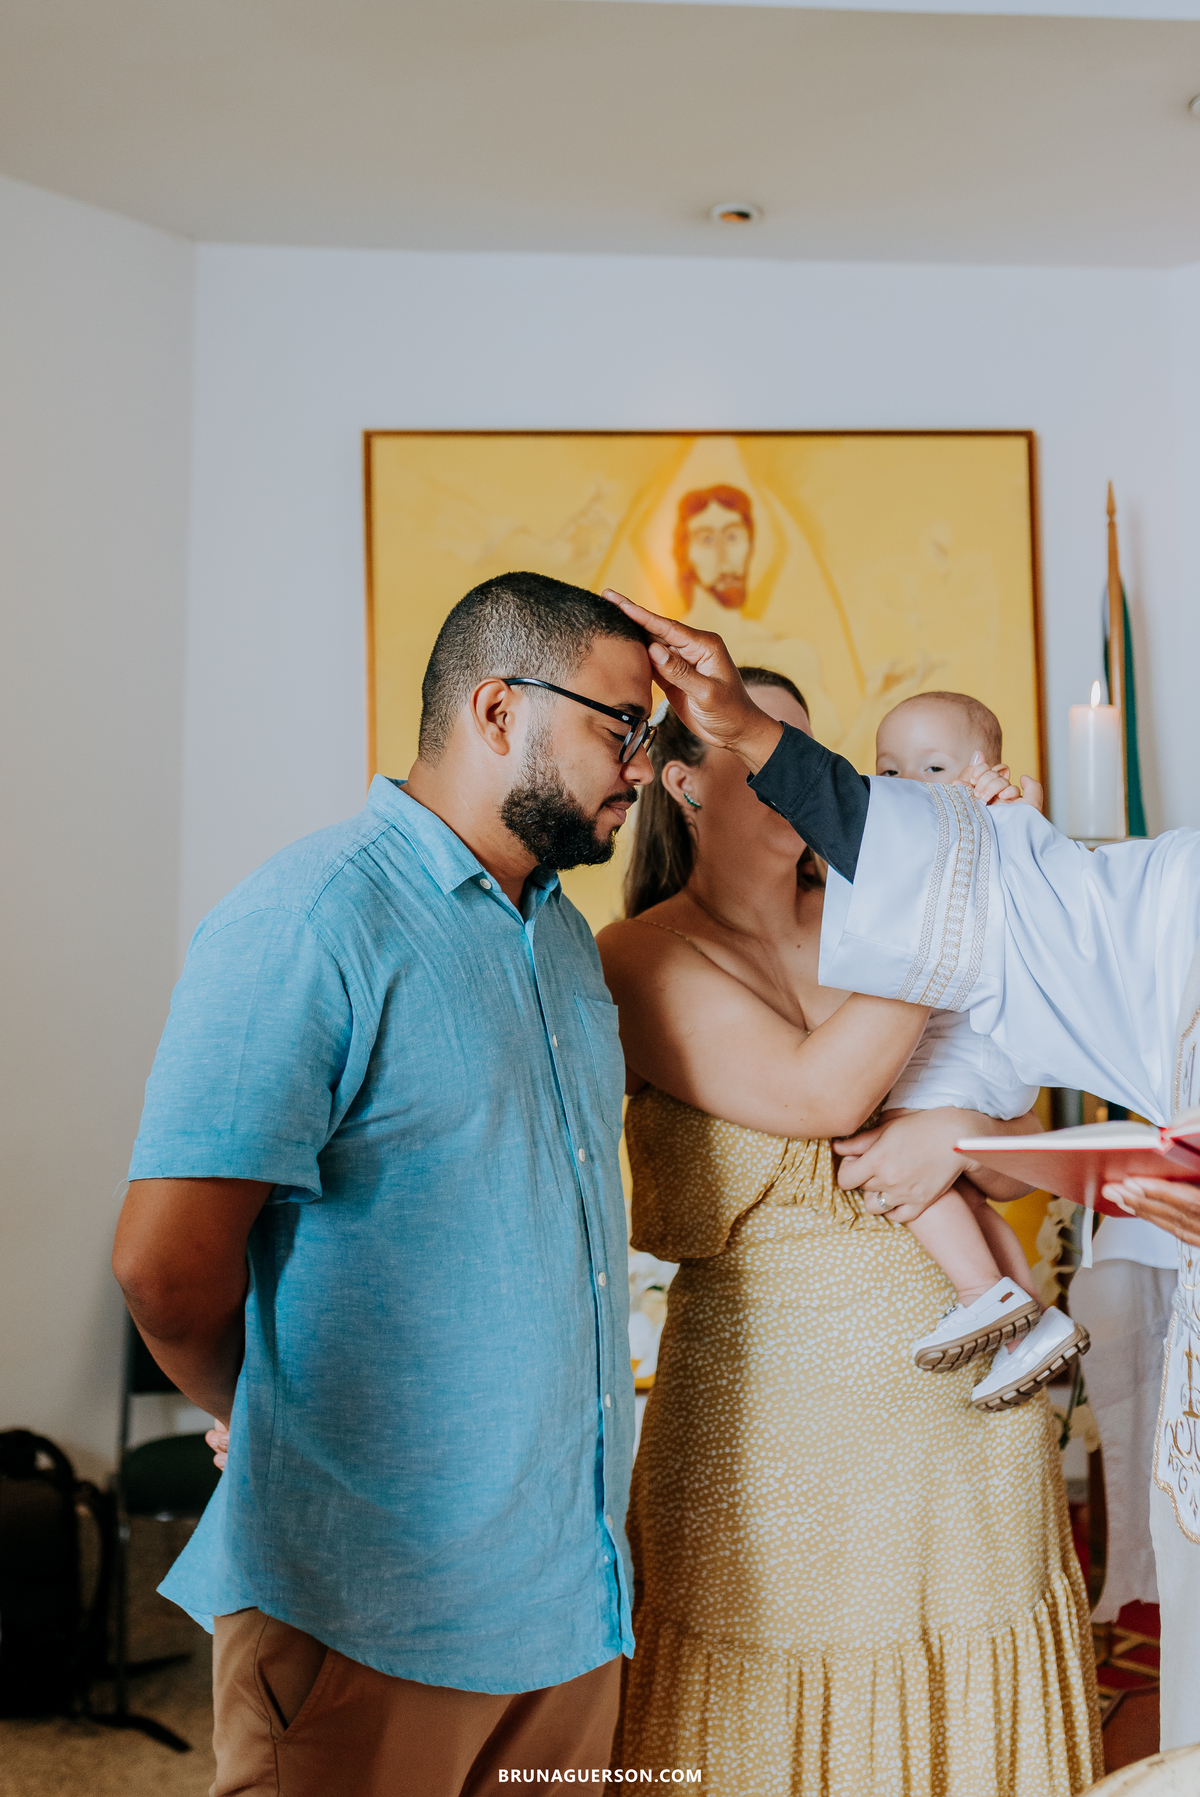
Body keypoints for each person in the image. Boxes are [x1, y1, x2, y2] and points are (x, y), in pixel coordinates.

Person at [602, 584, 1200, 1752]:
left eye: (812, 756)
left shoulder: (885, 912)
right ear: (684, 776)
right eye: (762, 753)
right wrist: (953, 887)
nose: (810, 784)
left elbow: (1015, 1154)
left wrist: (960, 1139)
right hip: (771, 1431)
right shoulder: (640, 955)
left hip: (971, 1409)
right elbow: (823, 1094)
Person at [111, 572, 658, 1797]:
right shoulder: (308, 920)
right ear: (500, 709)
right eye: (621, 724)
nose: (641, 761)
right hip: (366, 1603)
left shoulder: (564, 936)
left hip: (566, 1607)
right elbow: (162, 1263)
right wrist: (269, 1418)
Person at [871, 691, 1089, 1406]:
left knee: (894, 1150)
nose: (907, 786)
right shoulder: (920, 844)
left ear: (980, 772)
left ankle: (978, 1291)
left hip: (971, 1051)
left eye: (932, 767)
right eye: (889, 771)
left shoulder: (982, 828)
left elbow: (1034, 857)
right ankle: (1032, 1318)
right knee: (949, 1182)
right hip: (991, 1066)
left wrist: (1017, 803)